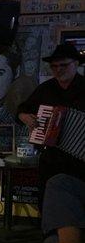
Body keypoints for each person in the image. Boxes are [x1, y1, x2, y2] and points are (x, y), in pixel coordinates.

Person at [17, 43, 85, 195]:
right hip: (51, 160)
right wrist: (26, 118)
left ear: (76, 64)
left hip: (80, 165)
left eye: (63, 65)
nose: (58, 69)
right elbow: (22, 110)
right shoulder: (45, 89)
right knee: (48, 205)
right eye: (54, 66)